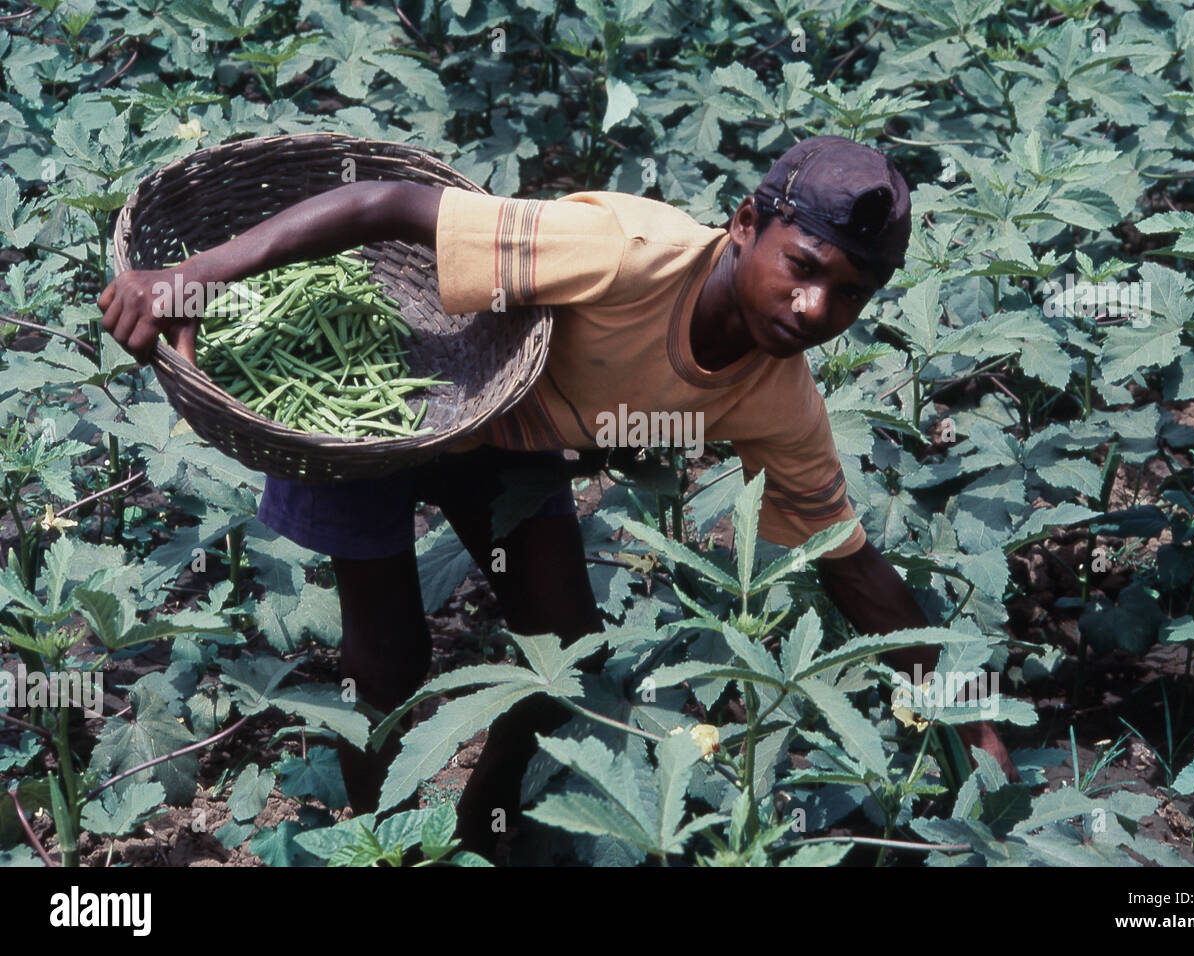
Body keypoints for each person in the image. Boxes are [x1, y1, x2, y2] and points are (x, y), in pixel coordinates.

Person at [98, 135, 1020, 860]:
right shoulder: (624, 253)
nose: (815, 307)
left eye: (849, 294)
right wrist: (200, 275)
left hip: (504, 439)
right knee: (386, 663)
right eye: (805, 266)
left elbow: (851, 566)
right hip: (400, 389)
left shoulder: (778, 395)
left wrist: (968, 714)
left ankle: (479, 832)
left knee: (567, 657)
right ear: (744, 224)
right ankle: (378, 843)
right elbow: (386, 204)